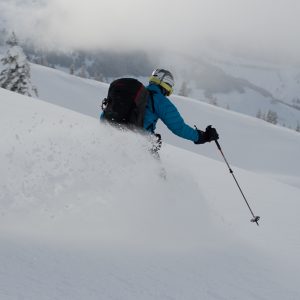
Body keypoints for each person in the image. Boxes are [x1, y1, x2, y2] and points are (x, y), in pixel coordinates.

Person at [143, 68, 219, 146]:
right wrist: (204, 136)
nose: (167, 94)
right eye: (169, 88)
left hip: (131, 133)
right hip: (141, 138)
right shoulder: (161, 101)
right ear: (166, 84)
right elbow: (179, 128)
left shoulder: (141, 92)